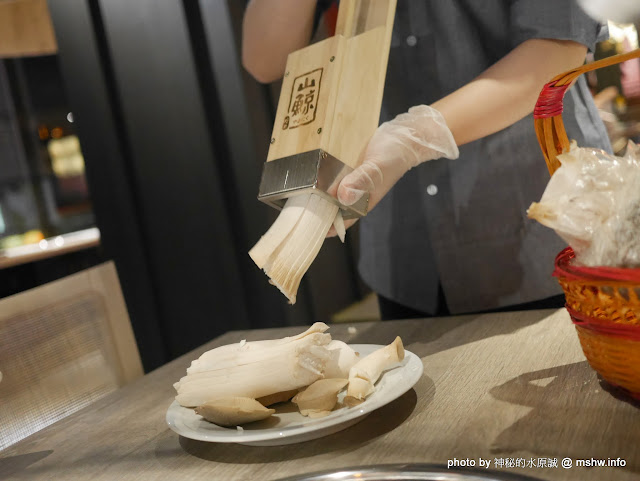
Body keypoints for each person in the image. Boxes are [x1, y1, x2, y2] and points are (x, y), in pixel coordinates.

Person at [242, 0, 612, 320]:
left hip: (541, 228)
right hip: (406, 248)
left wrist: (414, 136)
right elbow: (264, 58)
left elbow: (558, 46)